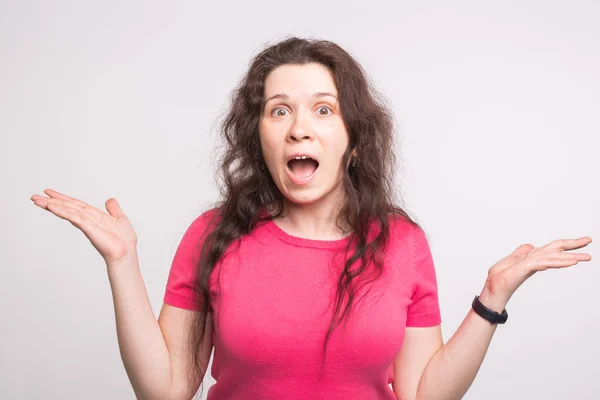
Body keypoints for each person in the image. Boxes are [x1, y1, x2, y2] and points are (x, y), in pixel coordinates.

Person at [30, 37, 592, 400]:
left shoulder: (402, 243)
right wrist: (123, 264)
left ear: (352, 138)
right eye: (280, 111)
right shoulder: (212, 237)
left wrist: (492, 296)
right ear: (261, 137)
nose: (301, 127)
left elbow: (424, 394)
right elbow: (167, 391)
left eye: (324, 109)